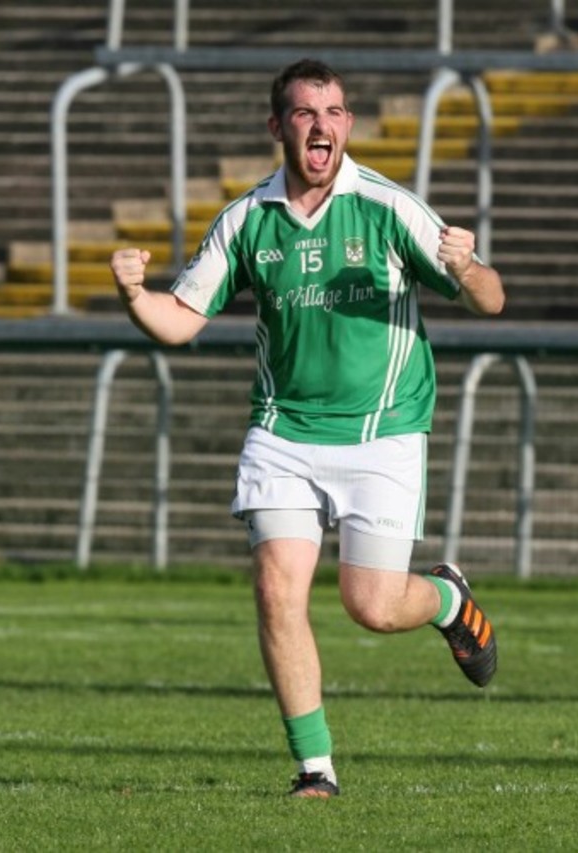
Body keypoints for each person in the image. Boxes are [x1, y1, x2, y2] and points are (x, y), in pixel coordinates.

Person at [110, 58, 505, 799]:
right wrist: (134, 295)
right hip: (283, 431)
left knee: (373, 605)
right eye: (304, 112)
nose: (321, 125)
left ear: (348, 125)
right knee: (275, 589)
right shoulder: (247, 219)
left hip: (383, 429)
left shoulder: (389, 207)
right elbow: (180, 321)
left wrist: (468, 266)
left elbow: (489, 298)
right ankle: (315, 767)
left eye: (334, 111)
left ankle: (448, 600)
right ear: (277, 127)